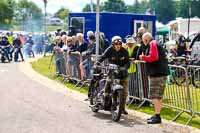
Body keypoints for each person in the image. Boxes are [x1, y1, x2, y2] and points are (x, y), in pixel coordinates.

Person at [139, 32, 169, 124]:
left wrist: (143, 57)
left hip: (156, 74)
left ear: (146, 40)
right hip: (162, 73)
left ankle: (157, 117)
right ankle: (157, 115)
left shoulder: (152, 44)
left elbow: (154, 57)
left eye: (143, 41)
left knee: (154, 96)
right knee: (159, 97)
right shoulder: (156, 43)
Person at [97, 36, 130, 115]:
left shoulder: (124, 51)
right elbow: (103, 57)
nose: (118, 45)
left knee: (124, 92)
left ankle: (122, 108)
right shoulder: (109, 50)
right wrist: (97, 63)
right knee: (107, 87)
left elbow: (128, 63)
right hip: (112, 73)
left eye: (120, 44)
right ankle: (105, 101)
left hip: (122, 74)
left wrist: (124, 68)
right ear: (113, 44)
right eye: (116, 44)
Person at [125, 36, 140, 105]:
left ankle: (136, 99)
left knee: (136, 84)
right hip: (129, 69)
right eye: (128, 43)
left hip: (136, 69)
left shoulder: (136, 47)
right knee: (130, 85)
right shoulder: (127, 48)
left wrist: (128, 59)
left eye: (130, 43)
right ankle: (131, 98)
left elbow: (133, 57)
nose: (128, 45)